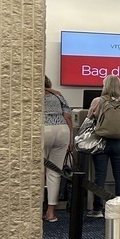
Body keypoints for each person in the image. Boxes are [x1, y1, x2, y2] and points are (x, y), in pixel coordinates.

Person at [88, 75, 120, 219]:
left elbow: (89, 119)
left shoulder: (97, 101)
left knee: (100, 176)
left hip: (101, 142)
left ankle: (97, 209)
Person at [43, 76, 73, 222]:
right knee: (54, 172)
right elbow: (68, 116)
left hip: (43, 130)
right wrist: (71, 139)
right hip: (62, 131)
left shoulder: (31, 93)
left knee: (37, 172)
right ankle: (51, 213)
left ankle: (34, 209)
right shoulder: (58, 94)